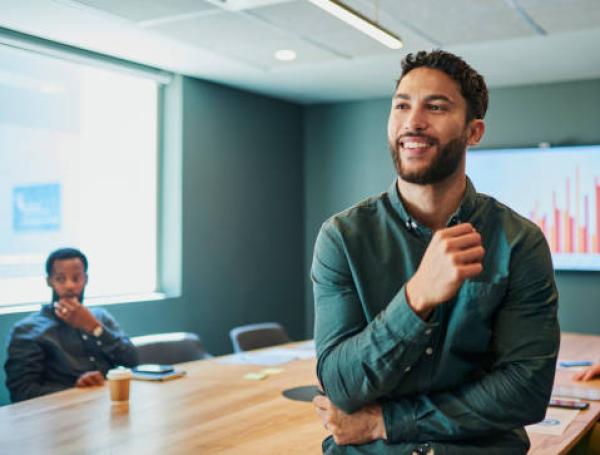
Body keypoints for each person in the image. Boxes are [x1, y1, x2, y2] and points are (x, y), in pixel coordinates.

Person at [311, 50, 560, 454]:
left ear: (473, 131)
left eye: (436, 107)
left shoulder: (519, 241)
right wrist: (415, 300)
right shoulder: (342, 237)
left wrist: (386, 421)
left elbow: (525, 391)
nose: (413, 122)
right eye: (402, 106)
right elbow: (340, 384)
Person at [5, 247, 138, 402]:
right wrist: (75, 389)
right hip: (61, 415)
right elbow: (21, 392)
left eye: (76, 278)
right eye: (61, 279)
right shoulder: (28, 330)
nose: (69, 286)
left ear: (86, 279)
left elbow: (132, 361)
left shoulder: (100, 317)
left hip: (110, 403)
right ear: (50, 281)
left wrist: (95, 328)